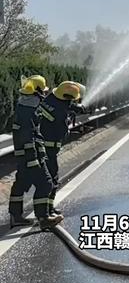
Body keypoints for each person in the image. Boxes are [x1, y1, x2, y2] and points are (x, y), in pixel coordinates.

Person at [8, 75, 63, 230]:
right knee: (46, 183)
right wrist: (34, 159)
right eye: (43, 92)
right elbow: (28, 137)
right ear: (36, 92)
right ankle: (43, 218)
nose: (44, 94)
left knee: (21, 184)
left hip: (23, 156)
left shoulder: (24, 107)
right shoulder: (29, 111)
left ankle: (15, 216)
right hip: (31, 156)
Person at [39, 81, 83, 216]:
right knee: (52, 179)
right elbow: (63, 133)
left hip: (39, 146)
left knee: (42, 180)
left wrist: (75, 107)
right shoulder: (61, 114)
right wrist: (69, 120)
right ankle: (47, 210)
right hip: (49, 150)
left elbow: (64, 104)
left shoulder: (49, 99)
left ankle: (45, 209)